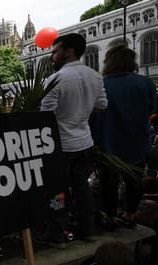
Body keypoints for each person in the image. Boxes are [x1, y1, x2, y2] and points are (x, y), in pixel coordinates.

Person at [40, 33, 108, 247]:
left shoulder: (56, 79)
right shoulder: (94, 76)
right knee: (81, 187)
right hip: (85, 141)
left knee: (57, 190)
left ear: (69, 51)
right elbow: (102, 104)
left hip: (62, 145)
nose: (53, 56)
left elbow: (45, 115)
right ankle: (87, 230)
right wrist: (81, 110)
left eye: (56, 51)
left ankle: (56, 234)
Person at [90, 45, 156, 227]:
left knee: (108, 181)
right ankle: (130, 214)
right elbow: (152, 109)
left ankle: (110, 217)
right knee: (135, 180)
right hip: (137, 141)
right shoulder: (145, 83)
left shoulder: (100, 84)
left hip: (107, 141)